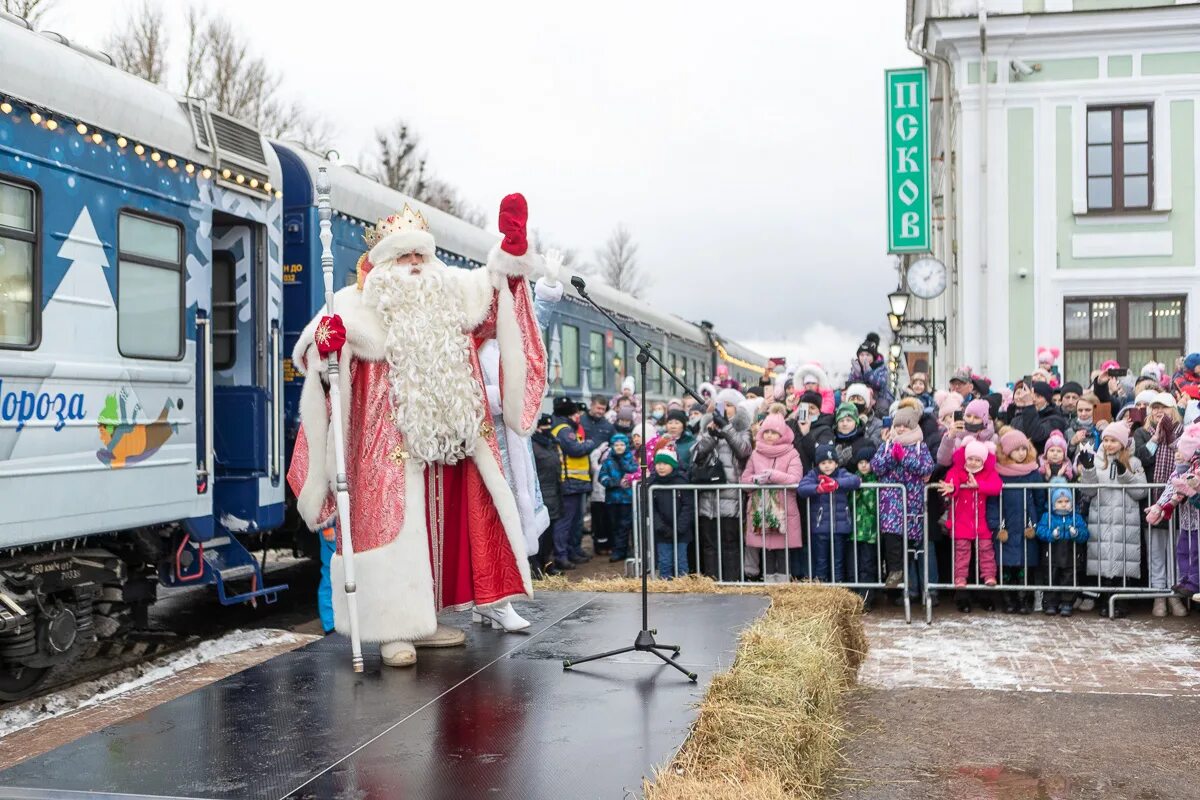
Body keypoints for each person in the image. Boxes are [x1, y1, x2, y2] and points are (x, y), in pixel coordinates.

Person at [287, 195, 548, 667]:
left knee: (439, 531)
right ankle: (391, 631)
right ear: (381, 264)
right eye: (403, 256)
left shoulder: (449, 294)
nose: (413, 264)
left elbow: (495, 303)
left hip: (445, 445)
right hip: (382, 451)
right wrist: (327, 346)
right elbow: (313, 358)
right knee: (388, 531)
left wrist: (510, 255)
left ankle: (424, 620)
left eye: (420, 255)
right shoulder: (350, 306)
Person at [1079, 421, 1147, 618]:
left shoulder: (1134, 463)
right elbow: (1088, 490)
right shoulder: (1098, 460)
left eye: (1113, 441)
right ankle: (1105, 600)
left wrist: (1125, 474)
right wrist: (1089, 469)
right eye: (1106, 440)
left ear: (1123, 443)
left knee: (1122, 560)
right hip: (1101, 518)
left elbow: (1141, 491)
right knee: (1102, 559)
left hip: (1125, 519)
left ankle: (1121, 602)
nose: (1108, 444)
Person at [870, 405, 936, 593]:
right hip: (892, 499)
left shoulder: (919, 447)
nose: (900, 429)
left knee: (910, 543)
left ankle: (914, 587)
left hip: (913, 499)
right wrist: (892, 456)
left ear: (913, 427)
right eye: (897, 425)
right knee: (892, 534)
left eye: (904, 426)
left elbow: (927, 468)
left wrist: (905, 458)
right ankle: (895, 571)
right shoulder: (887, 445)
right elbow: (876, 467)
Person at [693, 393, 753, 581]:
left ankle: (731, 582)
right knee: (709, 545)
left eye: (729, 404)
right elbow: (696, 455)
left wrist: (726, 428)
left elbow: (744, 450)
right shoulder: (706, 426)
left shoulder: (742, 428)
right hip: (709, 498)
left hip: (731, 496)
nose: (725, 408)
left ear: (736, 407)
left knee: (730, 543)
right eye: (722, 404)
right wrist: (711, 435)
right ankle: (712, 582)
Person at [742, 412, 805, 580]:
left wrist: (773, 476)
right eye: (766, 432)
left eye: (773, 432)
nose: (769, 435)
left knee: (782, 552)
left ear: (782, 434)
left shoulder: (792, 454)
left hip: (784, 509)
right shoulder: (756, 454)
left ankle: (783, 588)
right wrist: (756, 480)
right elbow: (744, 480)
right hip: (762, 510)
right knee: (767, 551)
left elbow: (795, 479)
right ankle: (769, 585)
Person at [991, 429, 1044, 614]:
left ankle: (1022, 599)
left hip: (1025, 527)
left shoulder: (1032, 472)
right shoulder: (998, 473)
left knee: (1024, 565)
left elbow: (1040, 499)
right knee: (1006, 566)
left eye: (1024, 448)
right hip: (1005, 527)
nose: (1021, 453)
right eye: (1016, 449)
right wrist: (995, 525)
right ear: (1006, 452)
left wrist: (1035, 522)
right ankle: (1008, 600)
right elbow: (992, 502)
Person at [941, 440, 1002, 590]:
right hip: (961, 518)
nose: (973, 463)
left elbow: (997, 486)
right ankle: (960, 577)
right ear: (965, 458)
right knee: (961, 550)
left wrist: (979, 486)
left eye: (977, 460)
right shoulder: (957, 470)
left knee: (986, 548)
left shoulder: (988, 472)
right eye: (970, 459)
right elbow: (951, 481)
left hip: (980, 520)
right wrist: (952, 487)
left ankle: (989, 575)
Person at [796, 443, 862, 582]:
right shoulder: (814, 475)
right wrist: (818, 488)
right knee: (821, 562)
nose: (827, 466)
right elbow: (802, 488)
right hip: (820, 528)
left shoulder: (841, 473)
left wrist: (836, 483)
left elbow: (855, 480)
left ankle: (838, 588)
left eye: (831, 462)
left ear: (836, 463)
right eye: (823, 462)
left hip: (840, 528)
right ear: (818, 464)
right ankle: (822, 588)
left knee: (838, 562)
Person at [550, 396, 599, 569]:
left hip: (577, 483)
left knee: (576, 521)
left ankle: (573, 550)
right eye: (576, 412)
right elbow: (575, 449)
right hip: (569, 482)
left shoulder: (569, 428)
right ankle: (561, 555)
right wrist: (591, 443)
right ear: (571, 414)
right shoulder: (564, 430)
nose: (579, 415)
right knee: (566, 522)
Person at [1036, 483, 1090, 616]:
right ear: (1053, 504)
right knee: (1050, 578)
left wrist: (1076, 533)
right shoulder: (1047, 516)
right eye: (1060, 502)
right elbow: (1040, 531)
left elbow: (1085, 533)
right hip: (1052, 554)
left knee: (1069, 579)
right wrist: (1051, 534)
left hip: (1070, 554)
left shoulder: (1076, 517)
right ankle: (1050, 603)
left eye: (1067, 501)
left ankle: (1067, 603)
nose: (1064, 504)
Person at [647, 445, 693, 579]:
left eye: (665, 463)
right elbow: (650, 508)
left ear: (673, 464)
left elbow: (688, 506)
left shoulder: (682, 482)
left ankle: (682, 584)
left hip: (681, 531)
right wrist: (661, 527)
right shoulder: (653, 483)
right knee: (665, 561)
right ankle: (664, 583)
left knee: (681, 560)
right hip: (662, 530)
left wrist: (679, 528)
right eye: (658, 463)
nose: (661, 467)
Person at [531, 414, 564, 575]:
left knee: (550, 534)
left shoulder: (551, 444)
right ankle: (536, 566)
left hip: (554, 493)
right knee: (539, 533)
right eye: (544, 427)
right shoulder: (532, 445)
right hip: (540, 495)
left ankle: (547, 564)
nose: (547, 430)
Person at [598, 432, 639, 562]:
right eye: (617, 445)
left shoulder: (631, 459)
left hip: (627, 499)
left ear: (626, 445)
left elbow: (634, 472)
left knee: (625, 525)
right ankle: (618, 549)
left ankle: (623, 550)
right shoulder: (608, 461)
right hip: (612, 499)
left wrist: (623, 461)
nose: (619, 447)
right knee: (614, 525)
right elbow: (602, 476)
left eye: (622, 444)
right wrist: (614, 483)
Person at [850, 443, 882, 604]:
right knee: (855, 565)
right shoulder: (853, 479)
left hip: (870, 532)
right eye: (860, 462)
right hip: (855, 531)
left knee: (868, 565)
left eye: (867, 462)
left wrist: (862, 490)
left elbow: (873, 506)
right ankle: (855, 598)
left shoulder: (876, 480)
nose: (863, 465)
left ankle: (867, 598)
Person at [1007, 381, 1068, 454]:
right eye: (1032, 395)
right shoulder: (1018, 418)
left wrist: (1029, 405)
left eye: (1038, 396)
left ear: (1047, 401)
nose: (1034, 399)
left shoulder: (1056, 419)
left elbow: (1036, 435)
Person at [936, 398, 997, 467]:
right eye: (968, 416)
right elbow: (943, 461)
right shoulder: (956, 433)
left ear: (984, 420)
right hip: (956, 474)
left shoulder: (991, 437)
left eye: (976, 417)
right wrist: (950, 436)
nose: (971, 420)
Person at [662, 408, 697, 473]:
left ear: (683, 426)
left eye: (677, 423)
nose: (673, 426)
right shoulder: (660, 442)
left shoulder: (692, 443)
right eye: (670, 423)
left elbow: (692, 467)